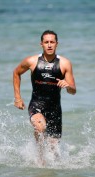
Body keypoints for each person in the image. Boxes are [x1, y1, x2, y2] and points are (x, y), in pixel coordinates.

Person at [13, 30, 76, 165]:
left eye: (52, 42)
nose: (49, 45)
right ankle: (39, 158)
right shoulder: (32, 61)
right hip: (36, 104)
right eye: (46, 42)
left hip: (55, 109)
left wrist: (67, 86)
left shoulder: (65, 64)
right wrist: (18, 98)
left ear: (57, 44)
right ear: (41, 44)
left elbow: (73, 91)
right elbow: (16, 73)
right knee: (40, 127)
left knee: (54, 151)